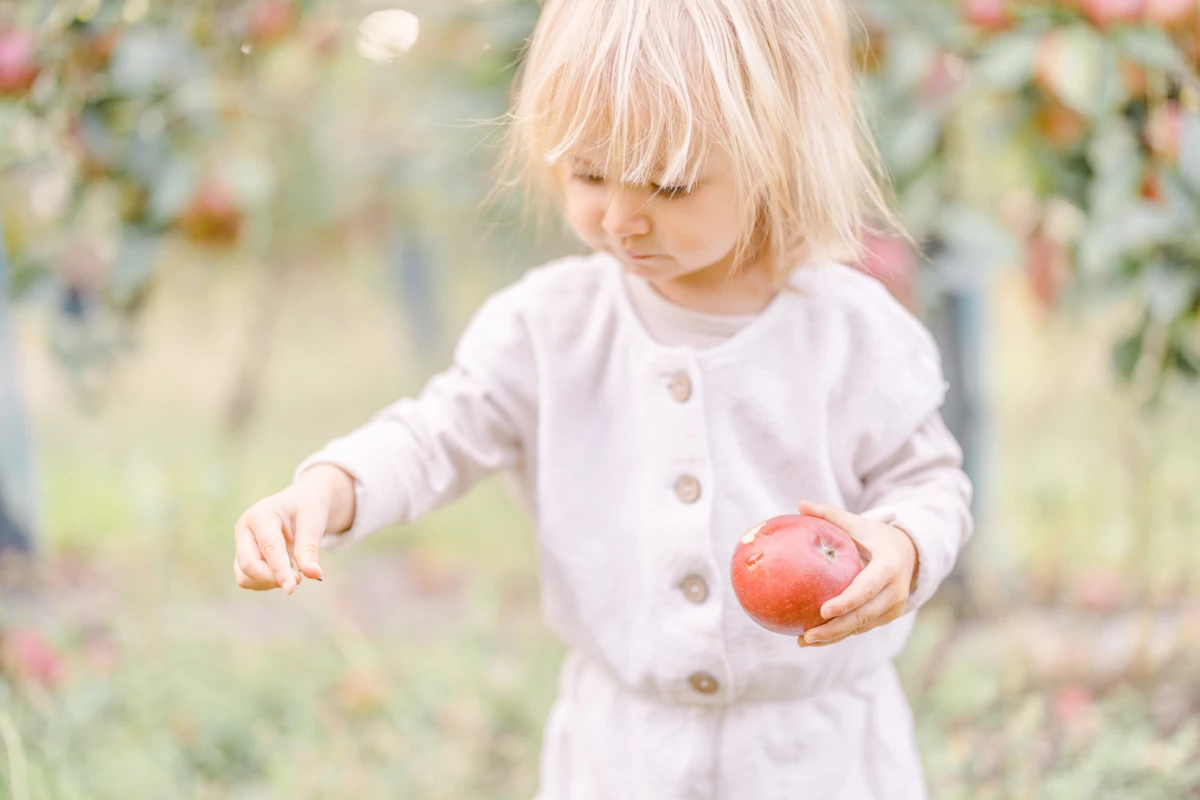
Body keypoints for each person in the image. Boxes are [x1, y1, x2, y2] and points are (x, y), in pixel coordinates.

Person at [232, 0, 973, 796]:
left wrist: (903, 547)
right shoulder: (551, 326)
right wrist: (328, 489)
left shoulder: (850, 332)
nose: (620, 216)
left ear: (777, 156)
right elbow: (435, 436)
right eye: (587, 173)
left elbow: (928, 482)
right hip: (624, 755)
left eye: (669, 183)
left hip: (818, 756)